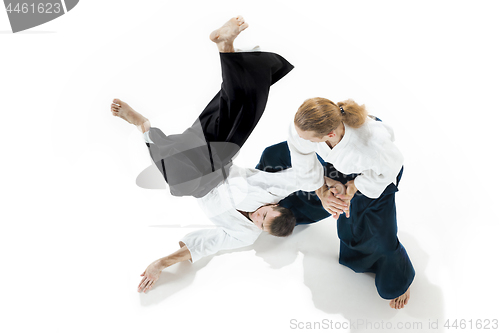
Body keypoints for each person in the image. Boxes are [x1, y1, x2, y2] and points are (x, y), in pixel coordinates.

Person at [109, 16, 338, 293]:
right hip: (219, 160)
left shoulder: (245, 234)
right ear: (274, 206)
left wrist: (161, 263)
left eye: (262, 224)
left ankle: (143, 126)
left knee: (180, 176)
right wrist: (329, 188)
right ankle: (226, 47)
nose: (258, 218)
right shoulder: (271, 192)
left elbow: (207, 245)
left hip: (194, 181)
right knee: (234, 110)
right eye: (265, 215)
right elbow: (301, 178)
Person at [288, 97, 415, 309]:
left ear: (329, 135)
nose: (300, 138)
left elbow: (390, 168)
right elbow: (300, 153)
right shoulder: (304, 128)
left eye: (308, 139)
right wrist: (322, 191)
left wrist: (354, 186)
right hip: (338, 162)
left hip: (378, 175)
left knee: (381, 234)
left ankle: (399, 278)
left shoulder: (372, 144)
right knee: (349, 220)